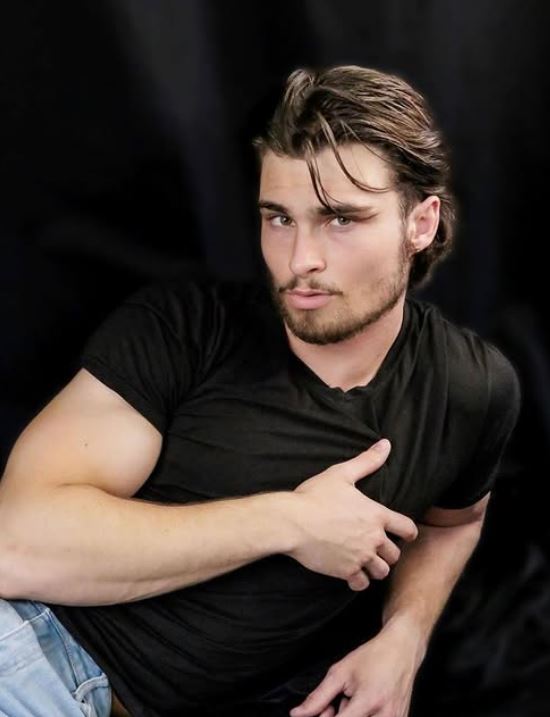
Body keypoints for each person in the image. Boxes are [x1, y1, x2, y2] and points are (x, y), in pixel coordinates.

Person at [0, 65, 520, 717]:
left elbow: (455, 522)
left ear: (420, 223)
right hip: (34, 655)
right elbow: (14, 545)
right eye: (279, 218)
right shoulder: (185, 329)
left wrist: (404, 638)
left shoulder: (472, 389)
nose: (300, 259)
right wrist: (289, 522)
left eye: (340, 219)